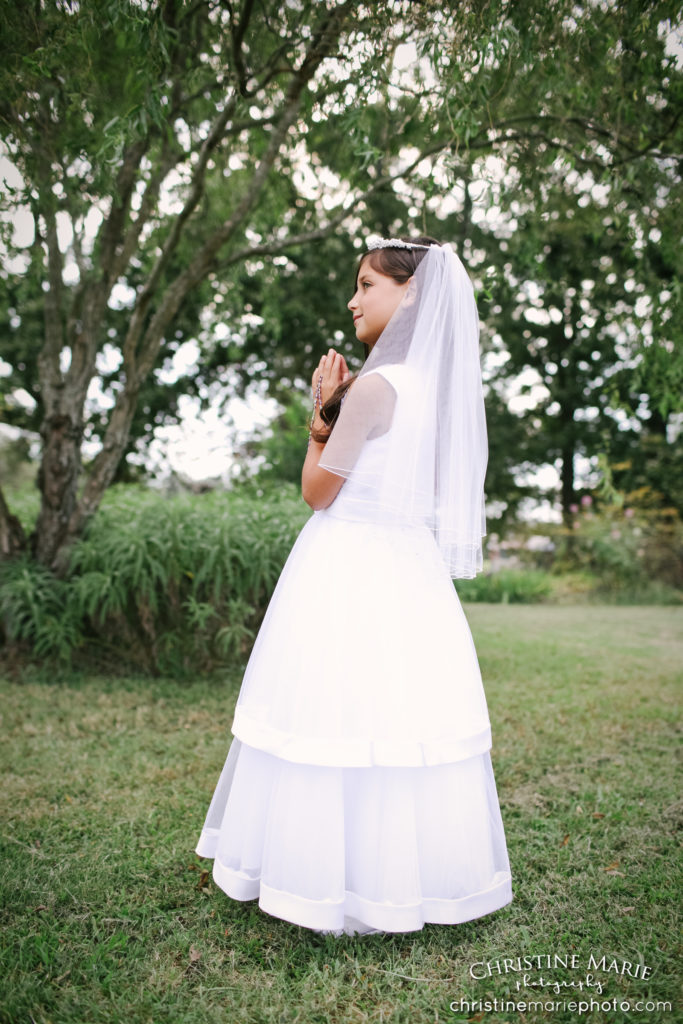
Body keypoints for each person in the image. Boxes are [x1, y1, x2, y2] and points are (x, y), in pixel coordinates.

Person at [195, 236, 512, 937]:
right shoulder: (436, 394)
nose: (353, 298)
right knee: (396, 721)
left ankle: (320, 882)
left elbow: (317, 493)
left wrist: (318, 413)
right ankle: (403, 883)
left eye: (367, 284)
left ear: (410, 296)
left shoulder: (371, 389)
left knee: (330, 714)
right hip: (410, 572)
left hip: (344, 566)